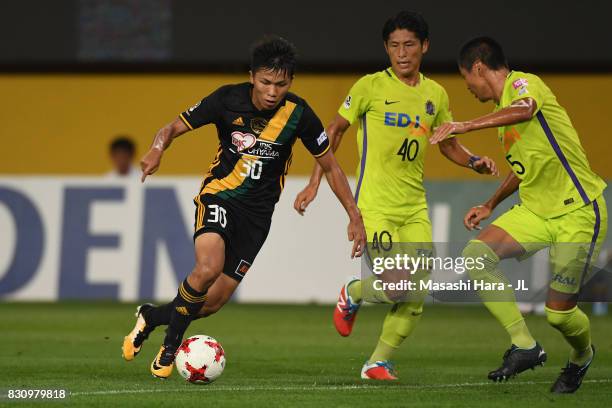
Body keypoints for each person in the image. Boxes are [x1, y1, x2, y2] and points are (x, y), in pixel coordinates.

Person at [121, 36, 366, 379]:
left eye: (280, 84)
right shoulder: (227, 99)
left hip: (257, 217)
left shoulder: (299, 114)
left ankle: (151, 316)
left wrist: (354, 215)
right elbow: (172, 127)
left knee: (212, 302)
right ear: (252, 76)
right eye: (265, 82)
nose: (271, 91)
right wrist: (157, 148)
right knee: (207, 268)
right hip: (220, 196)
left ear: (290, 83)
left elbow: (331, 166)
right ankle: (170, 346)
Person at [294, 11, 498, 380]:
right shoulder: (369, 87)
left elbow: (446, 143)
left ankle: (377, 362)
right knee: (396, 286)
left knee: (417, 292)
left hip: (414, 206)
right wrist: (314, 182)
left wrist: (473, 162)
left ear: (424, 46)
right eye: (393, 46)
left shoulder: (435, 94)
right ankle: (355, 291)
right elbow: (333, 132)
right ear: (386, 49)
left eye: (408, 45)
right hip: (375, 205)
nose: (401, 53)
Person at [429, 37, 607, 393]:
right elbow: (524, 169)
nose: (470, 89)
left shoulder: (524, 84)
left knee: (559, 315)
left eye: (468, 81)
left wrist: (464, 126)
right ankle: (525, 346)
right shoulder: (502, 119)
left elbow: (525, 108)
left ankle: (580, 356)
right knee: (477, 256)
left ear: (479, 67)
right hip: (536, 212)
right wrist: (491, 203)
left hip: (579, 211)